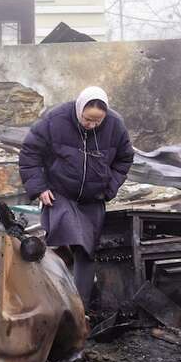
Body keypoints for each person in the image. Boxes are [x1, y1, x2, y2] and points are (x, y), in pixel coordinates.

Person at [19, 87, 134, 310]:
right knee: (62, 239)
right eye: (87, 119)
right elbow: (30, 153)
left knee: (87, 250)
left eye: (97, 121)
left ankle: (79, 309)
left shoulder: (115, 125)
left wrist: (110, 187)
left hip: (93, 197)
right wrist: (40, 188)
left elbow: (125, 158)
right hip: (60, 193)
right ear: (79, 109)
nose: (91, 125)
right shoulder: (56, 119)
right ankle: (48, 301)